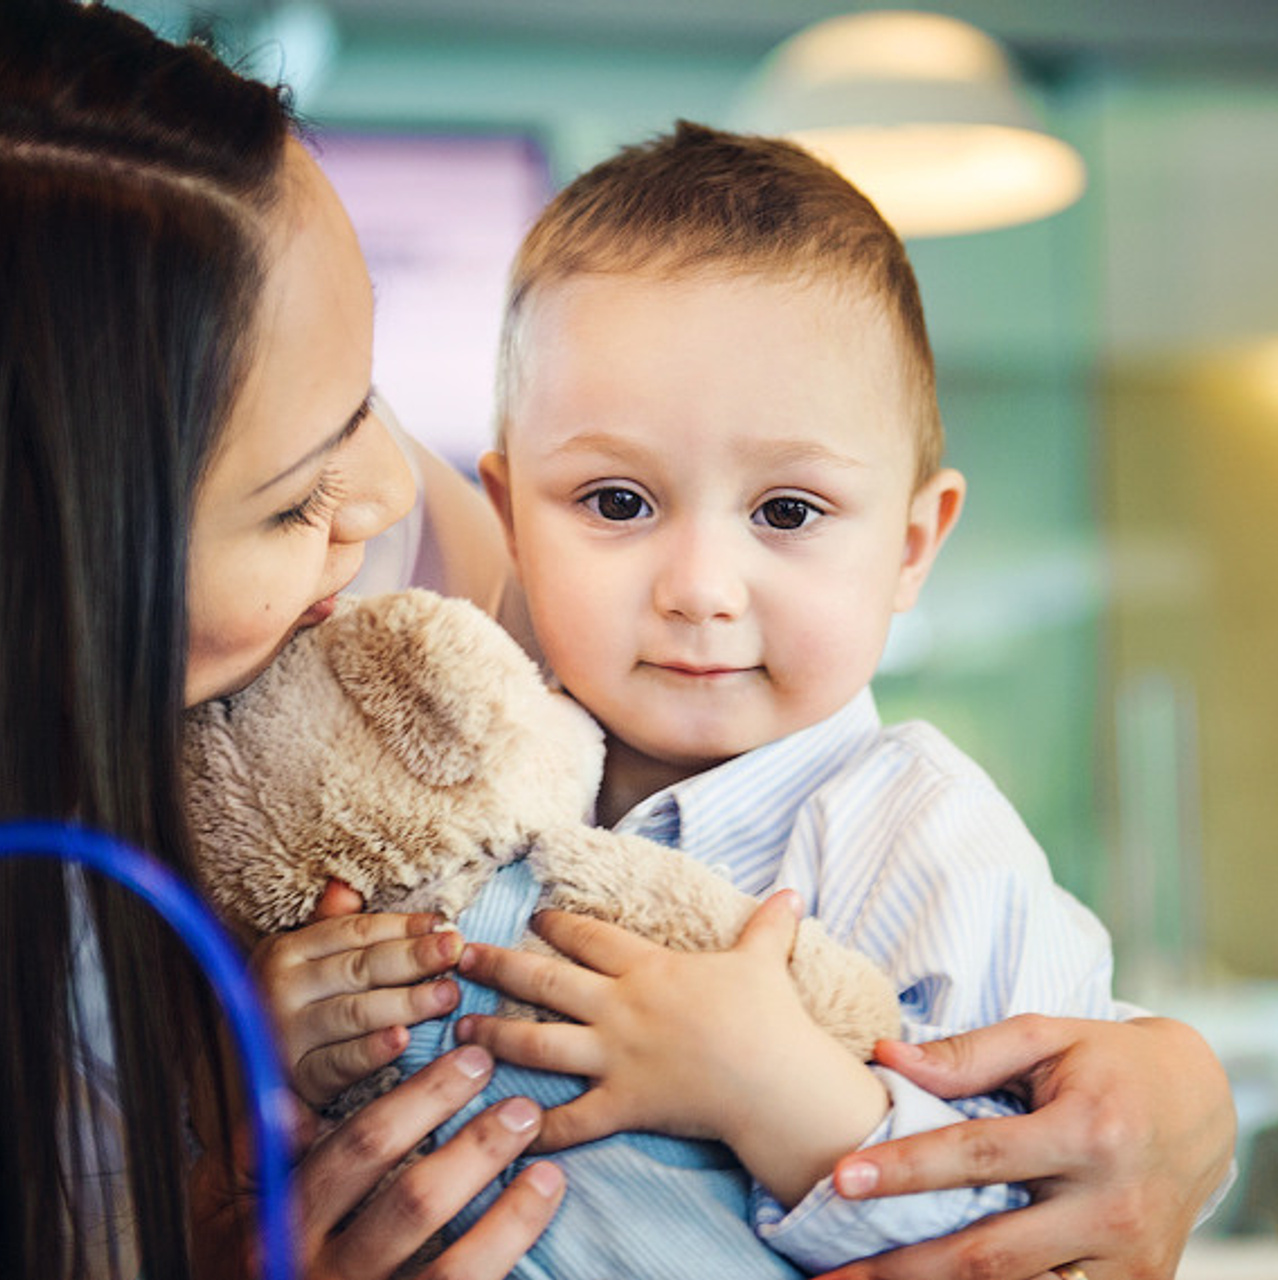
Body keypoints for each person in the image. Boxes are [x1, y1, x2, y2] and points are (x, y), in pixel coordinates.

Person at [443, 121, 1232, 1275]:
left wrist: (775, 1091)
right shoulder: (457, 785)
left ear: (912, 543)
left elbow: (1044, 1217)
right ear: (508, 512)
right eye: (616, 502)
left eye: (787, 512)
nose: (700, 589)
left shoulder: (927, 845)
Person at [0, 3, 564, 1278]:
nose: (388, 492)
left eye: (372, 399)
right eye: (296, 498)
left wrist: (1114, 1080)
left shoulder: (387, 554)